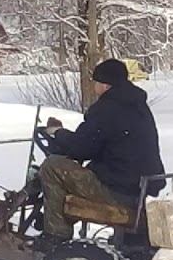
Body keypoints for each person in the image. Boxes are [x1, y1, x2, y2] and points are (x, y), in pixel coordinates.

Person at [36, 58, 166, 243]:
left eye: (95, 82)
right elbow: (100, 142)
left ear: (105, 85)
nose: (93, 86)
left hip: (118, 191)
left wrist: (57, 133)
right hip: (140, 186)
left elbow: (80, 148)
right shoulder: (137, 105)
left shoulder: (107, 108)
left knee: (52, 167)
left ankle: (55, 238)